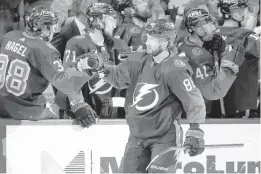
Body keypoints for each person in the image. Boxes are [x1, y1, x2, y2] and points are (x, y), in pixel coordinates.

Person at [78, 19, 206, 173]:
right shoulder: (138, 59)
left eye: (153, 39)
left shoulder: (175, 69)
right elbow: (118, 77)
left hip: (164, 137)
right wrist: (99, 68)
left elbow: (193, 100)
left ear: (166, 43)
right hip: (137, 136)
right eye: (148, 36)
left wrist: (195, 130)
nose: (147, 41)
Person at [0, 6, 98, 128]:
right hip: (21, 110)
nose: (54, 29)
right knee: (56, 110)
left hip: (1, 102)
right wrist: (79, 105)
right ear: (45, 27)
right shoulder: (45, 50)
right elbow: (66, 82)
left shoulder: (9, 36)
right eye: (52, 26)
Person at [63, 2, 129, 118]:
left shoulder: (119, 45)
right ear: (98, 21)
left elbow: (129, 78)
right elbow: (68, 77)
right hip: (82, 115)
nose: (115, 24)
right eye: (111, 19)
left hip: (112, 116)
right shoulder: (76, 43)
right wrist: (78, 105)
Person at [178, 8, 245, 101]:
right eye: (210, 25)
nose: (214, 28)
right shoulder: (194, 57)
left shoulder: (195, 44)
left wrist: (217, 53)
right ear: (200, 30)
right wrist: (230, 65)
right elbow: (213, 92)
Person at [216, 0, 260, 117]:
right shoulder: (241, 35)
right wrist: (253, 15)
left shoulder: (215, 32)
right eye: (242, 9)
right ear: (232, 13)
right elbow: (246, 32)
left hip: (222, 103)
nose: (246, 12)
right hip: (239, 106)